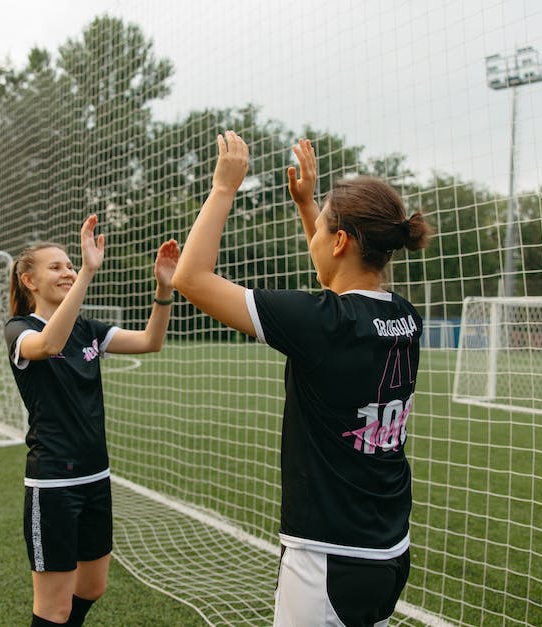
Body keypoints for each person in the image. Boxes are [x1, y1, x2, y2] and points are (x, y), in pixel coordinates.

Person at [173, 132, 434, 627]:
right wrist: (310, 205)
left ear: (339, 241)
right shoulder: (406, 318)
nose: (312, 237)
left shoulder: (322, 323)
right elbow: (335, 277)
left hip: (325, 558)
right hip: (389, 550)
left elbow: (191, 278)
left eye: (321, 231)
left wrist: (225, 188)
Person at [4, 214, 178, 626]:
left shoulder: (88, 329)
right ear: (29, 281)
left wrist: (164, 288)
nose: (66, 271)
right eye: (57, 266)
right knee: (53, 608)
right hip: (53, 484)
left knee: (92, 587)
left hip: (95, 476)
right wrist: (85, 273)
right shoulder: (19, 330)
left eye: (69, 264)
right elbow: (49, 344)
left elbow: (151, 342)